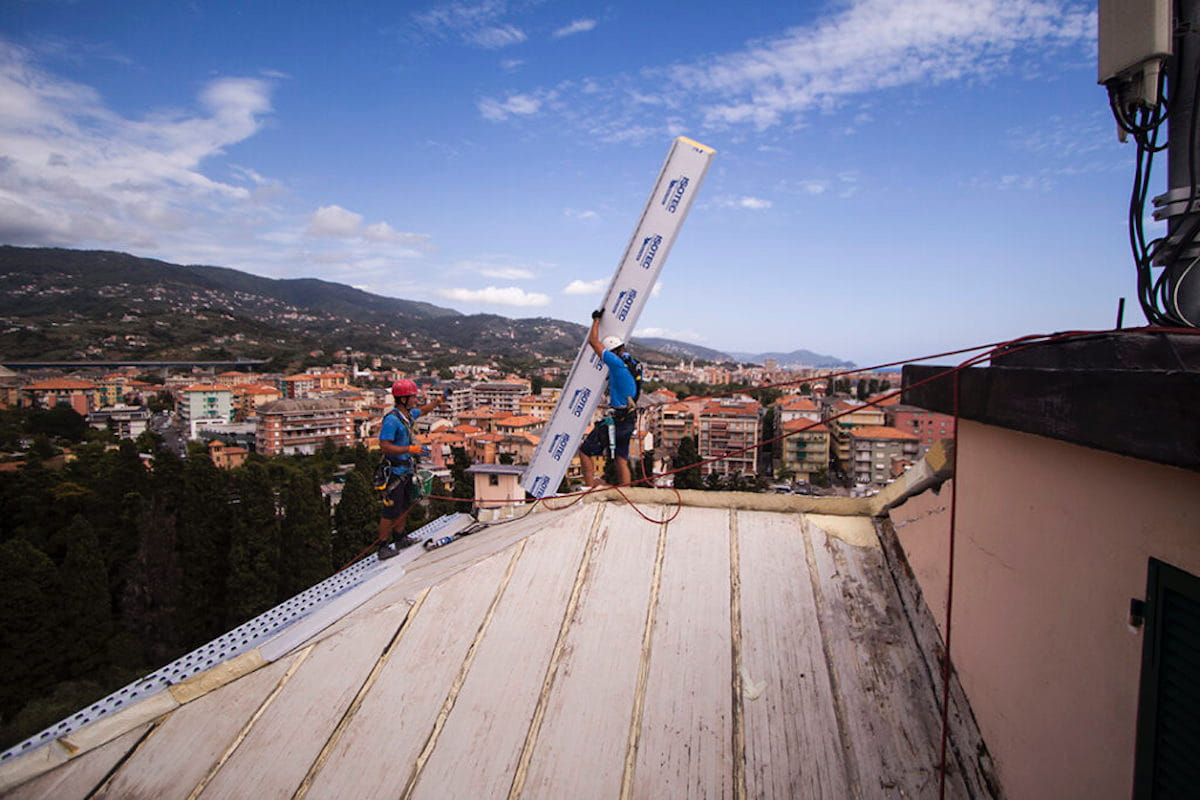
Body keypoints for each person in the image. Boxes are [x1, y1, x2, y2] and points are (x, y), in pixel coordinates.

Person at [376, 379, 441, 557]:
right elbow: (385, 446)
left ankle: (400, 537)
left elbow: (424, 410)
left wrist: (439, 401)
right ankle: (382, 546)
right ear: (403, 398)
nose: (415, 399)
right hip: (394, 471)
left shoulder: (408, 415)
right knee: (390, 510)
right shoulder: (392, 420)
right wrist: (409, 449)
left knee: (404, 505)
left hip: (404, 469)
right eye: (412, 396)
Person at [578, 308, 641, 488]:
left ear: (612, 351)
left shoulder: (616, 362)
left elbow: (593, 342)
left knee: (584, 451)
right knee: (621, 459)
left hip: (617, 420)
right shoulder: (634, 365)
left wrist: (596, 320)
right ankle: (626, 492)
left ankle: (589, 488)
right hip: (629, 420)